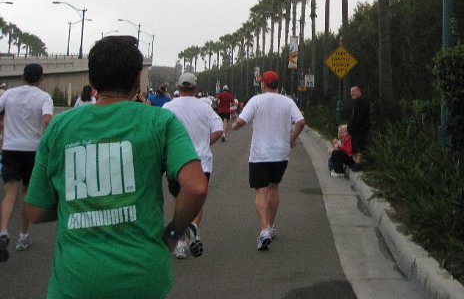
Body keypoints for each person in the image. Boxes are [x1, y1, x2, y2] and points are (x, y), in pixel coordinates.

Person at [23, 35, 207, 298]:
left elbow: (35, 210)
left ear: (92, 79)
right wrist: (175, 232)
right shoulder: (161, 121)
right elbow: (197, 187)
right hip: (143, 276)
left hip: (75, 280)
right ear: (136, 79)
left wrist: (83, 201)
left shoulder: (60, 127)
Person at [232, 70, 304, 251]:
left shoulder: (256, 100)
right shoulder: (288, 101)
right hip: (281, 153)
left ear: (263, 84)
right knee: (274, 186)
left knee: (260, 191)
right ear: (277, 85)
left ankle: (264, 230)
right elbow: (301, 122)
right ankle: (270, 227)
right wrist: (292, 138)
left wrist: (233, 126)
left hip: (260, 154)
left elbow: (241, 121)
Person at [163, 72, 223, 259]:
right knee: (197, 199)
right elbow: (219, 130)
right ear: (195, 89)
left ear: (179, 88)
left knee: (179, 199)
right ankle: (193, 227)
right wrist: (205, 143)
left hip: (176, 161)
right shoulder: (205, 107)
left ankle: (179, 243)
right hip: (201, 161)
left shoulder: (168, 107)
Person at [0, 63, 53, 261]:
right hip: (32, 149)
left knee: (10, 193)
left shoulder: (9, 94)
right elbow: (47, 120)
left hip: (10, 148)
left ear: (23, 77)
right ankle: (23, 235)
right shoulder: (44, 97)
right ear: (41, 78)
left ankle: (3, 231)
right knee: (27, 194)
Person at [347, 86, 370, 165]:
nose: (351, 94)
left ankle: (358, 164)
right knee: (354, 148)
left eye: (353, 91)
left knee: (359, 148)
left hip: (360, 130)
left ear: (359, 91)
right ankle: (355, 163)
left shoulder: (363, 102)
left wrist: (353, 127)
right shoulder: (355, 102)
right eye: (351, 92)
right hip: (354, 131)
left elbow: (360, 118)